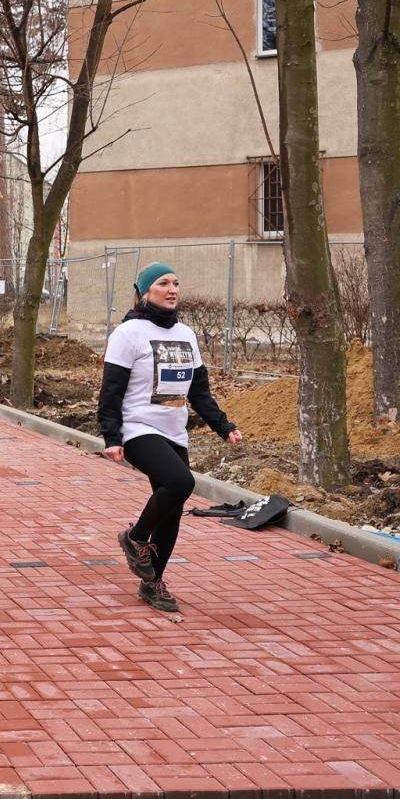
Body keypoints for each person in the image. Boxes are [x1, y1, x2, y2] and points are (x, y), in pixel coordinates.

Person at [97, 262, 243, 614]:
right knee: (181, 482)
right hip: (138, 428)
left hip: (174, 431)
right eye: (163, 283)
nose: (172, 289)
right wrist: (112, 436)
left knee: (172, 512)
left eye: (176, 283)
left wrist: (223, 425)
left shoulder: (186, 334)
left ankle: (152, 583)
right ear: (145, 291)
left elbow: (199, 391)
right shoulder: (128, 333)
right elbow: (111, 390)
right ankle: (134, 538)